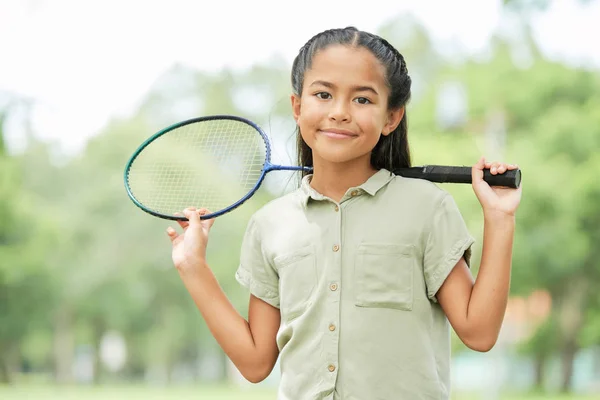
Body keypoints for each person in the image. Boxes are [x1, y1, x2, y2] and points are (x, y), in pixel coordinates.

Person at [166, 26, 523, 400]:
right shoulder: (269, 225)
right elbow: (256, 362)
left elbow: (479, 333)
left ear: (392, 117)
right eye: (323, 94)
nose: (339, 112)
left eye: (363, 100)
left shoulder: (427, 208)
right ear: (298, 107)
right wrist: (193, 266)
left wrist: (500, 218)